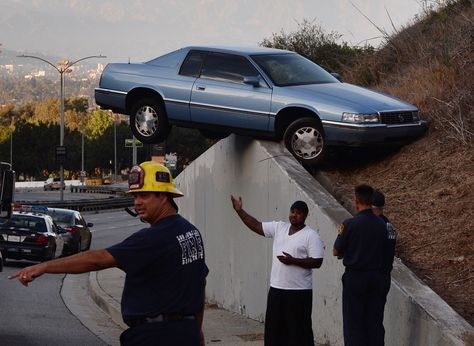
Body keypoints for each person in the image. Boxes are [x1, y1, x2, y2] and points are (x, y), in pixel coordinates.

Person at [9, 161, 209, 346]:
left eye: (144, 195)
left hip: (155, 336)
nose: (137, 202)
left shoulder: (152, 238)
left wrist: (44, 266)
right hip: (186, 332)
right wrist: (197, 331)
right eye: (135, 196)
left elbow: (96, 260)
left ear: (164, 197)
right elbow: (199, 284)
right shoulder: (190, 232)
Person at [230, 196, 324, 346]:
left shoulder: (311, 236)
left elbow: (317, 261)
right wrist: (240, 211)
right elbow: (256, 225)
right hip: (277, 290)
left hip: (299, 292)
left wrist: (293, 260)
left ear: (305, 216)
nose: (294, 214)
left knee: (299, 332)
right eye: (292, 211)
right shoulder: (280, 227)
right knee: (274, 331)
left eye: (298, 212)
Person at [333, 184, 388, 346]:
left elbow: (336, 251)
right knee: (374, 322)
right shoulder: (382, 225)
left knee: (353, 323)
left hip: (355, 278)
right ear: (371, 202)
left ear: (356, 201)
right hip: (376, 277)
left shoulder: (350, 224)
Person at [372, 190, 397, 320]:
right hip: (384, 278)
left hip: (370, 277)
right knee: (377, 319)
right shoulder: (390, 226)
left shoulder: (371, 226)